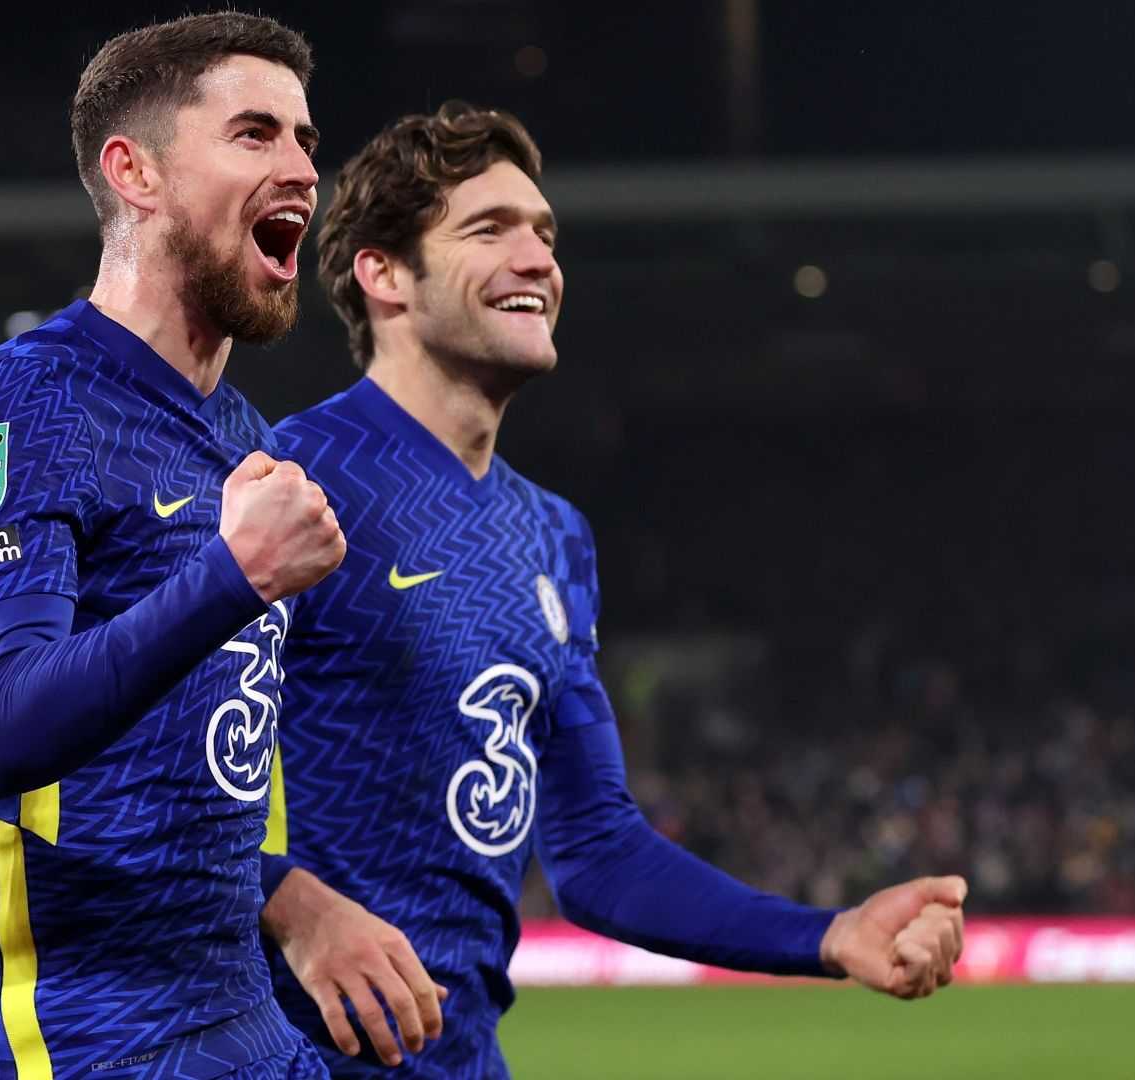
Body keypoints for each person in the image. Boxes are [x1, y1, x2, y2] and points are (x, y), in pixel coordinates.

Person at [260, 101, 968, 1077]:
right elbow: (115, 774)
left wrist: (828, 934)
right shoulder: (288, 479)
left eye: (545, 235)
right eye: (490, 230)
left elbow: (597, 851)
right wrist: (290, 903)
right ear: (384, 274)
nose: (537, 259)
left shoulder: (553, 536)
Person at [0, 14, 341, 1079]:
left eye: (305, 139)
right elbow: (0, 729)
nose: (301, 168)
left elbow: (212, 764)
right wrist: (231, 577)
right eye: (254, 133)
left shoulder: (244, 438)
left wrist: (300, 901)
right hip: (75, 1039)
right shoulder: (26, 399)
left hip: (240, 1023)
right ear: (134, 173)